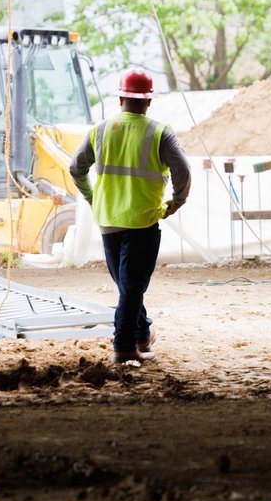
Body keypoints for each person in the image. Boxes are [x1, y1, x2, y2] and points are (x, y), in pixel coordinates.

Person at [69, 68, 190, 364]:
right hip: (143, 221)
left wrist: (93, 197)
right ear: (148, 102)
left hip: (108, 221)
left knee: (128, 285)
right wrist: (177, 201)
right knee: (133, 286)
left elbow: (76, 168)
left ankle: (142, 332)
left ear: (120, 98)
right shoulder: (160, 133)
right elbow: (183, 171)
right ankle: (124, 347)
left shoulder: (99, 130)